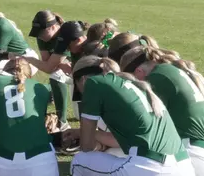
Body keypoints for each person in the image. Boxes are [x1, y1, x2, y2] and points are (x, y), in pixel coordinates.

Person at [67, 55, 195, 176]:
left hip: (154, 167)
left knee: (80, 160)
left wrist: (86, 136)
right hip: (184, 166)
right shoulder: (131, 82)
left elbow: (87, 146)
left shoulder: (94, 82)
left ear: (83, 79)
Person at [120, 46, 204, 175]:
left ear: (139, 71)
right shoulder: (170, 69)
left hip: (191, 154)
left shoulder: (157, 78)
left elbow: (142, 132)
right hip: (196, 148)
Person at [0, 57, 59, 176]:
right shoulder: (40, 87)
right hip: (40, 158)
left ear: (5, 69)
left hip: (0, 158)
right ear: (29, 74)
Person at [27, 10, 74, 131]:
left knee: (80, 115)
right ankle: (62, 121)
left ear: (53, 27)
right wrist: (57, 63)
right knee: (56, 74)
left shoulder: (66, 34)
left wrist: (28, 58)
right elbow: (47, 62)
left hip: (81, 74)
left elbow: (48, 66)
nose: (39, 36)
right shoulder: (42, 37)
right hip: (67, 72)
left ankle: (49, 93)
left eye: (42, 32)